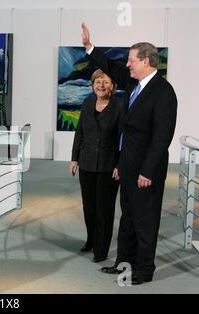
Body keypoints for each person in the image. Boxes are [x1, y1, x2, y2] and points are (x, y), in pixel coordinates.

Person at [81, 22, 178, 285]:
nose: (127, 65)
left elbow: (162, 137)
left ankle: (144, 270)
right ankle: (124, 264)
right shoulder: (134, 84)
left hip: (146, 169)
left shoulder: (163, 92)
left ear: (145, 61)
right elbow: (110, 66)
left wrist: (147, 170)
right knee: (128, 217)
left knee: (145, 221)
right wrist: (90, 48)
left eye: (131, 60)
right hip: (127, 164)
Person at [70, 69, 120, 263]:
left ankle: (101, 249)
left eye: (105, 82)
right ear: (92, 86)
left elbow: (124, 138)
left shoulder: (120, 106)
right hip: (87, 163)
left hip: (109, 166)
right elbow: (79, 132)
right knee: (89, 208)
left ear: (113, 86)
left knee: (104, 210)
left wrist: (120, 164)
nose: (101, 85)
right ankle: (91, 239)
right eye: (97, 82)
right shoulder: (87, 103)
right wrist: (74, 159)